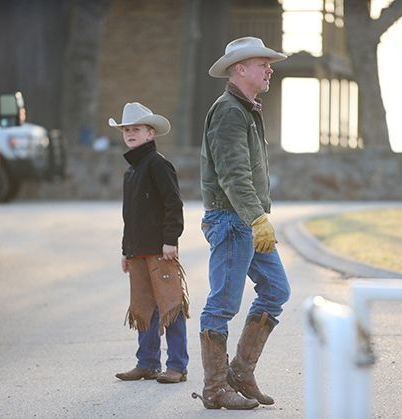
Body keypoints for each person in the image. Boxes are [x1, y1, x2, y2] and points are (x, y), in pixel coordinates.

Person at [193, 37, 291, 410]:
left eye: (269, 63)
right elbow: (233, 175)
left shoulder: (246, 109)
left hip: (246, 220)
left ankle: (240, 372)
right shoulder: (229, 112)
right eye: (262, 63)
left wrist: (256, 219)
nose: (269, 69)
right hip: (233, 220)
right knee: (222, 303)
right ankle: (215, 389)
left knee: (276, 290)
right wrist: (256, 218)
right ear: (239, 69)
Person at [111, 102, 189, 384]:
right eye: (126, 130)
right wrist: (125, 250)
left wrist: (171, 240)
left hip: (160, 250)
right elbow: (129, 216)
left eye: (136, 129)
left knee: (170, 306)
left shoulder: (158, 164)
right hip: (137, 251)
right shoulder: (131, 171)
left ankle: (178, 366)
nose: (130, 133)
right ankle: (147, 363)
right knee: (143, 308)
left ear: (150, 133)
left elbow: (173, 204)